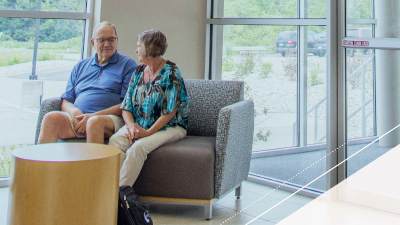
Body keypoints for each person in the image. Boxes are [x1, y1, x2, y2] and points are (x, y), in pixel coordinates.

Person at [109, 29, 189, 187]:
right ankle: (110, 188)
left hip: (170, 126)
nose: (136, 49)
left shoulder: (171, 73)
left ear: (149, 48)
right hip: (140, 125)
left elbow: (169, 112)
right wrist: (131, 127)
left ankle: (120, 197)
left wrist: (147, 133)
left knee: (138, 148)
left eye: (139, 45)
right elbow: (126, 106)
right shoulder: (138, 71)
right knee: (116, 140)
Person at [38, 21, 137, 144]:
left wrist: (91, 116)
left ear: (116, 40)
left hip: (109, 119)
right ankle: (41, 163)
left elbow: (126, 104)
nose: (107, 44)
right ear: (92, 42)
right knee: (51, 118)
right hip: (79, 118)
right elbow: (67, 100)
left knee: (93, 122)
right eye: (101, 40)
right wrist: (75, 113)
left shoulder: (128, 65)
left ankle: (93, 163)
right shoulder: (81, 66)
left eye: (111, 39)